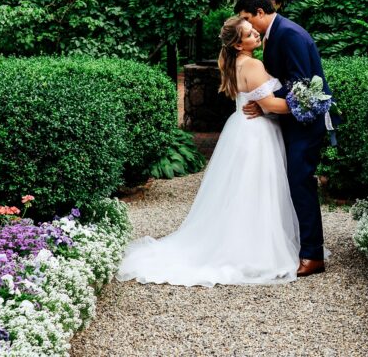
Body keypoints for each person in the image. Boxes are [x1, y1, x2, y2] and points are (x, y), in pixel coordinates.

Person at [116, 16, 300, 286]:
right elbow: (270, 105)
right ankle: (256, 251)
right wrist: (304, 105)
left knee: (240, 191)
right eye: (249, 35)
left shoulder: (230, 61)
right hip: (257, 132)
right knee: (258, 189)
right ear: (238, 44)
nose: (256, 36)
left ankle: (242, 241)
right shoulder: (253, 64)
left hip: (240, 128)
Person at [236, 0, 336, 278]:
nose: (247, 25)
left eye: (247, 18)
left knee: (300, 181)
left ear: (260, 13)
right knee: (293, 182)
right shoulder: (274, 34)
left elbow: (302, 88)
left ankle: (312, 255)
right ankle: (299, 247)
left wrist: (265, 103)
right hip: (292, 123)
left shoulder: (288, 34)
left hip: (305, 125)